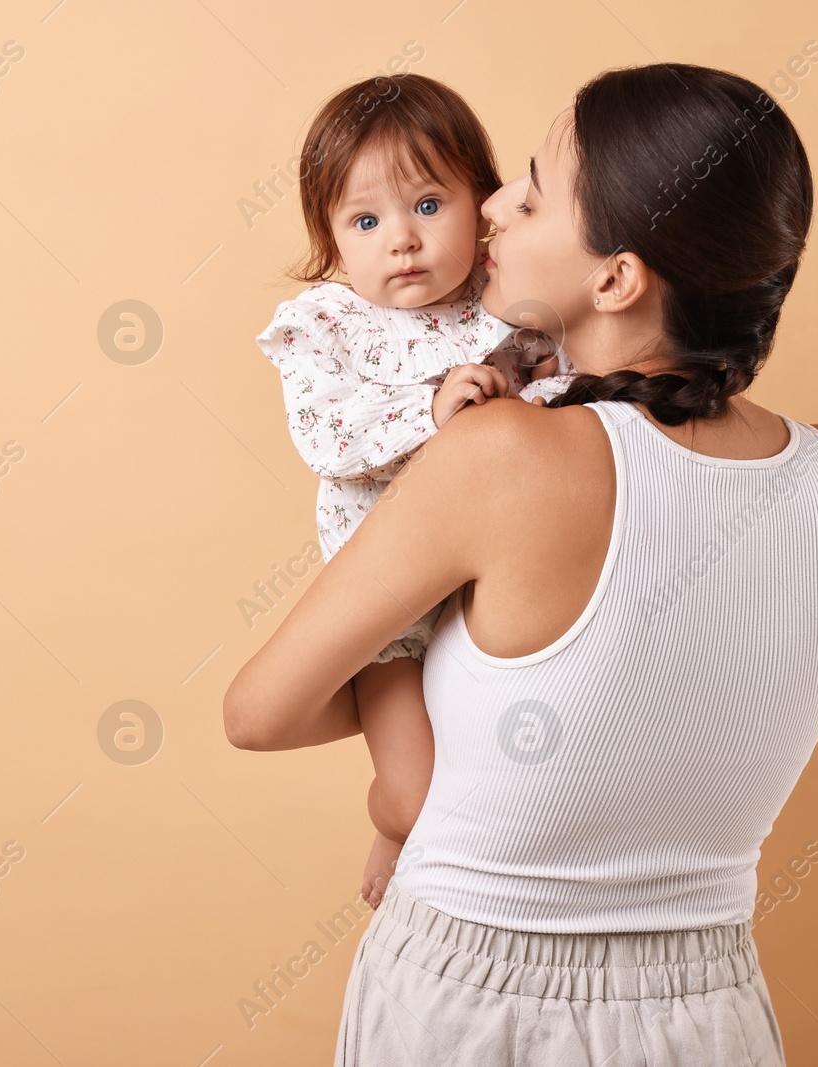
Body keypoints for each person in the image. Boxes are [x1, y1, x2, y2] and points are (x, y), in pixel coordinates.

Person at [225, 61, 818, 1066]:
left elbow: (258, 711)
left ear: (616, 276)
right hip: (712, 1012)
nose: (489, 205)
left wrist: (405, 684)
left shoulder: (501, 453)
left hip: (472, 1000)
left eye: (530, 192)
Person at [255, 72, 573, 909]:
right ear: (331, 239)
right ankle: (391, 824)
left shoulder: (508, 307)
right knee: (414, 794)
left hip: (495, 599)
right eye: (366, 221)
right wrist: (429, 408)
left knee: (515, 785)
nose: (402, 240)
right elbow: (326, 437)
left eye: (429, 205)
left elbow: (569, 403)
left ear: (482, 203)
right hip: (391, 606)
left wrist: (523, 392)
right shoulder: (329, 326)